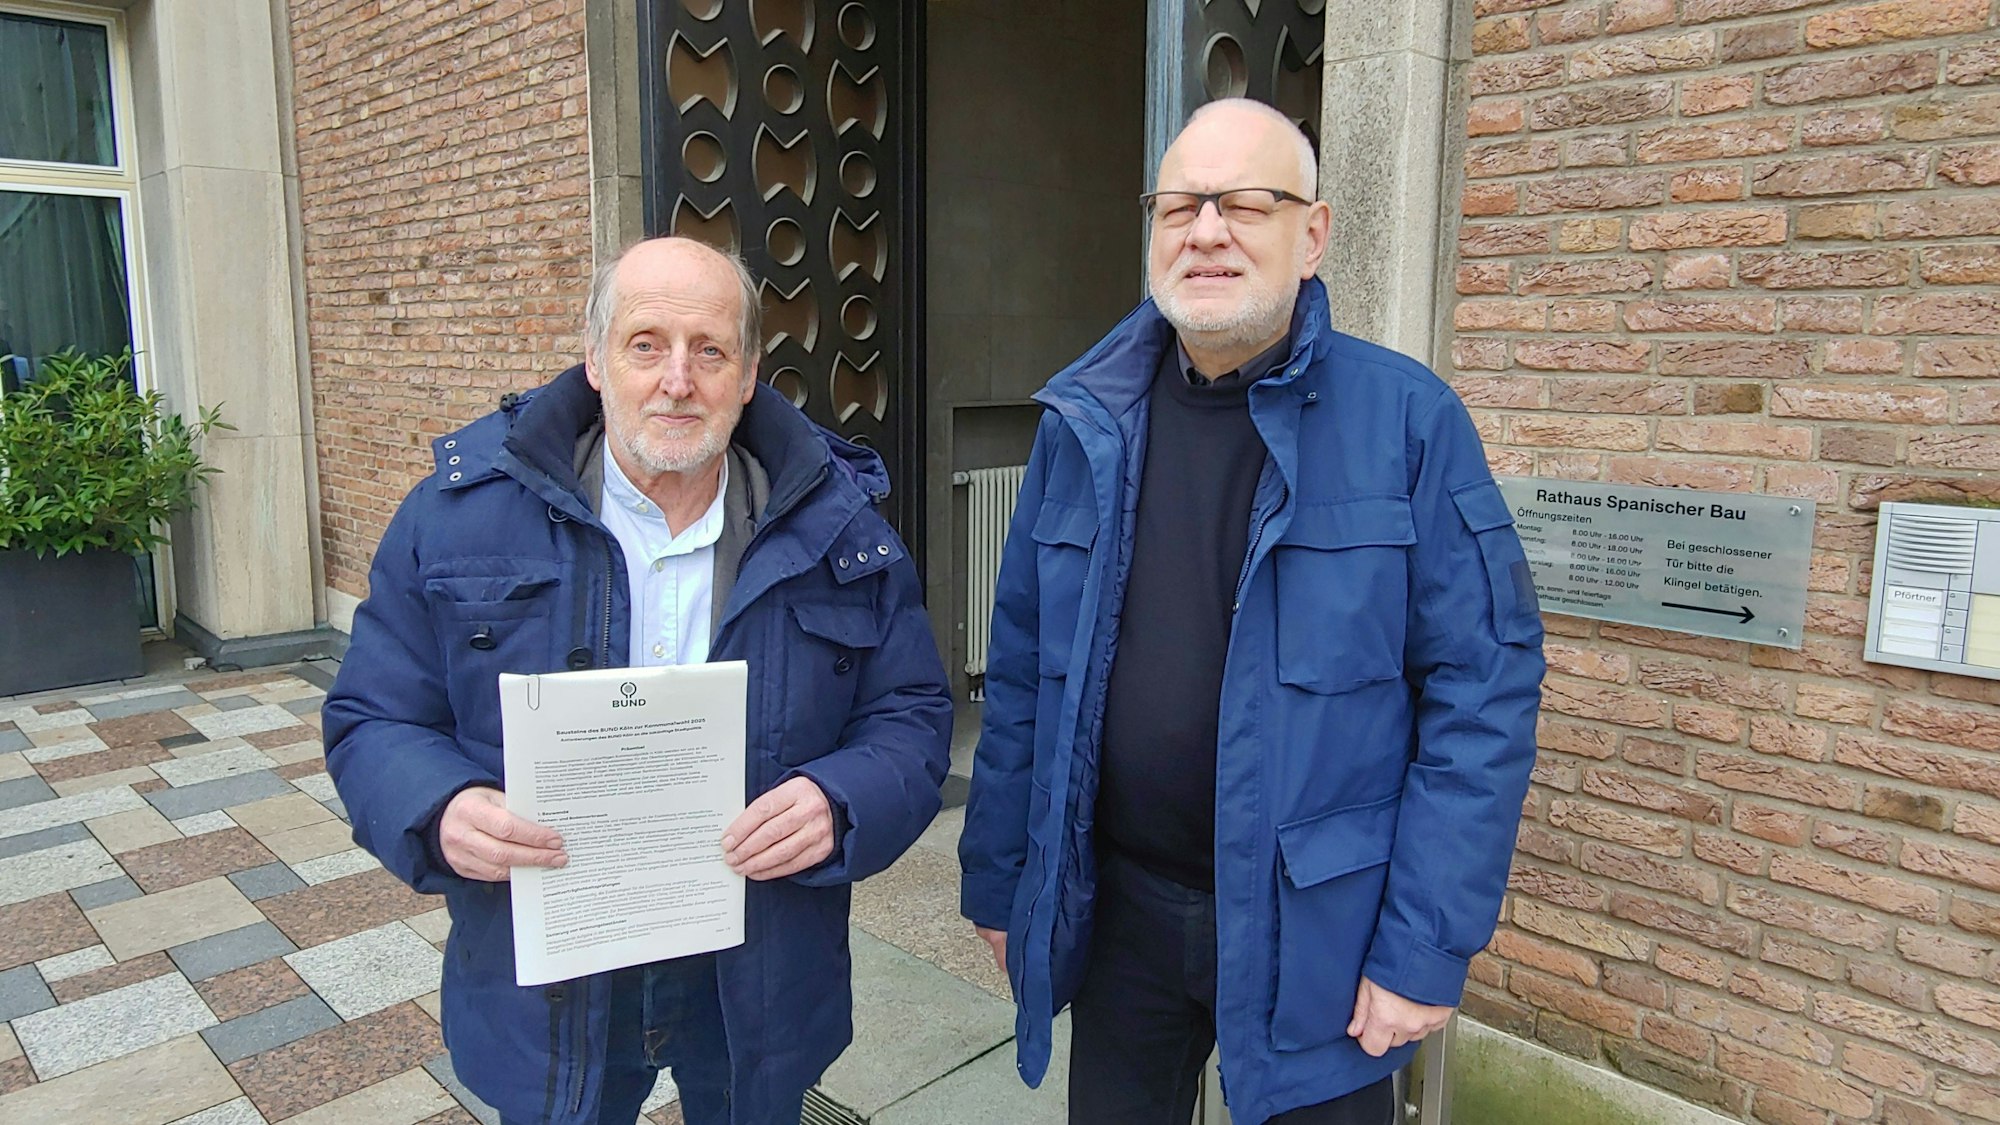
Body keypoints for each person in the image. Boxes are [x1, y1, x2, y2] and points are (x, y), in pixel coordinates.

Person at [958, 99, 1546, 1125]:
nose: (1207, 230)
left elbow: (1481, 694)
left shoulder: (1408, 424)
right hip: (1123, 916)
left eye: (1245, 203)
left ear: (1310, 234)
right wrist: (1005, 881)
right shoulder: (1083, 423)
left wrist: (1422, 947)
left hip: (1320, 929)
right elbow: (1019, 672)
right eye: (1179, 205)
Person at [324, 237, 952, 1125]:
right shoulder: (460, 517)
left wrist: (838, 799)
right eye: (645, 343)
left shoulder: (840, 527)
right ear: (594, 361)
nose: (677, 379)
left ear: (748, 374)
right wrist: (438, 806)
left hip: (753, 958)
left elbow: (913, 714)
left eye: (710, 350)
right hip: (554, 966)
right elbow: (373, 715)